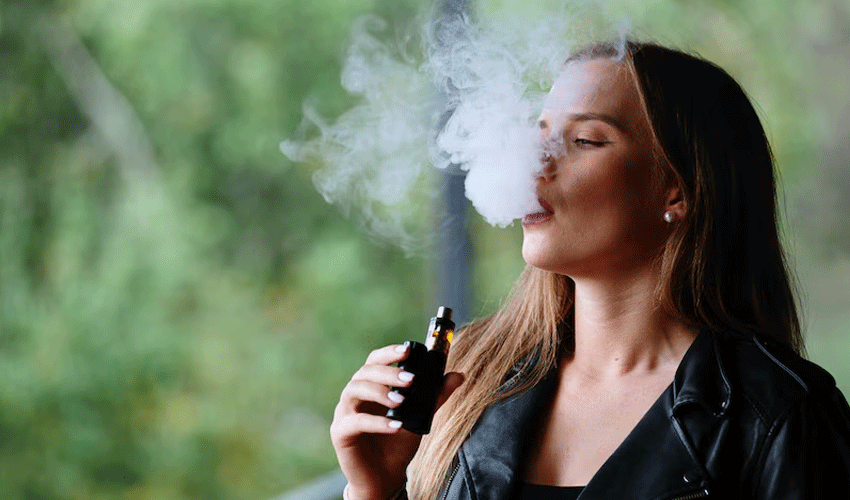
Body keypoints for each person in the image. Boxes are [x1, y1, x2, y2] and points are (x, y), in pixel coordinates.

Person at [330, 40, 850, 500]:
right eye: (540, 136)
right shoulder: (469, 377)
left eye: (585, 140)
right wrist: (376, 491)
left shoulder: (782, 415)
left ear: (677, 190)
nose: (533, 163)